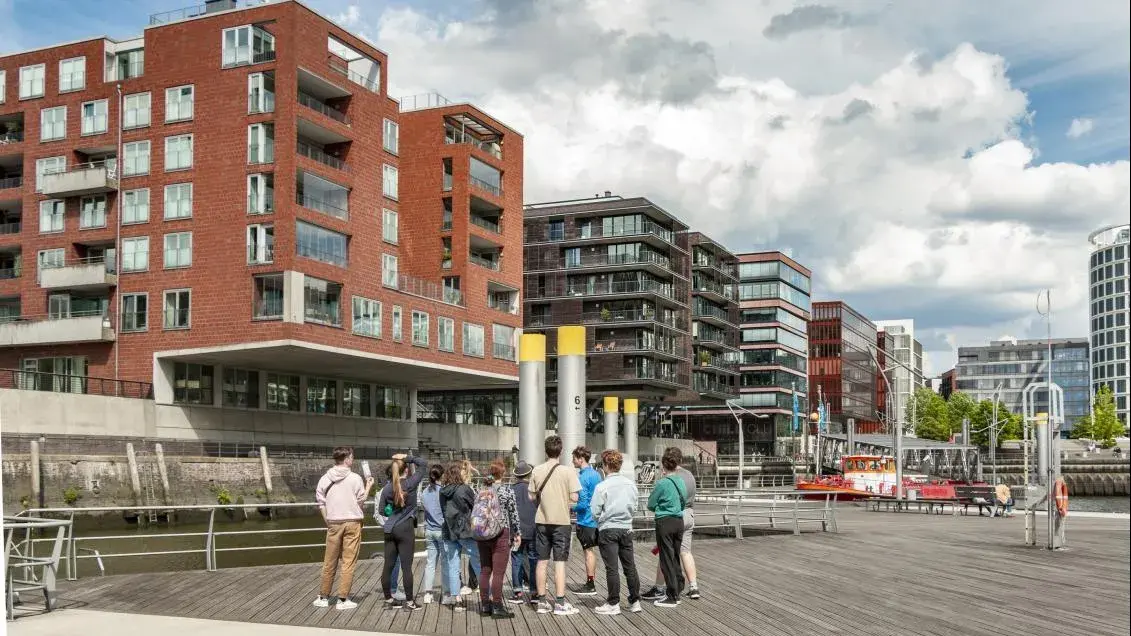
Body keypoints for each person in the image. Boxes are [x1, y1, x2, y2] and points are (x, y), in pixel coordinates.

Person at [313, 446, 373, 610]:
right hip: (353, 522)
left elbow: (321, 503)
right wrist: (369, 485)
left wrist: (328, 522)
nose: (352, 460)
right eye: (352, 457)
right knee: (348, 561)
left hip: (333, 522)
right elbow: (361, 501)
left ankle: (323, 597)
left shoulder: (325, 478)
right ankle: (343, 599)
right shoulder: (355, 478)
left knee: (329, 561)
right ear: (346, 459)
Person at [529, 435, 582, 616]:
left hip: (542, 521)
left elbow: (531, 496)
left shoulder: (537, 470)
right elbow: (575, 498)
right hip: (561, 523)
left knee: (541, 562)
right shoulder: (568, 472)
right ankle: (559, 603)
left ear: (546, 451)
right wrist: (563, 499)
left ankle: (542, 601)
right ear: (561, 451)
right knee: (560, 563)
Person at [642, 446, 700, 601]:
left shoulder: (668, 478)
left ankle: (660, 588)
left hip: (673, 516)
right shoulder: (689, 476)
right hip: (689, 514)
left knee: (666, 554)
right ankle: (693, 586)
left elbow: (654, 502)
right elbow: (692, 495)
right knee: (685, 552)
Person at [590, 449, 642, 615]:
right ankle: (635, 601)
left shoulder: (602, 486)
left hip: (608, 529)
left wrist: (601, 520)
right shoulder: (631, 485)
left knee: (612, 568)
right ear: (619, 465)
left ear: (605, 466)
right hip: (626, 528)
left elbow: (594, 512)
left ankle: (613, 602)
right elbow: (635, 507)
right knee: (630, 567)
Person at [377, 453, 428, 611]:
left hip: (390, 529)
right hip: (405, 528)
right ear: (406, 471)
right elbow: (423, 464)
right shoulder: (411, 483)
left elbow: (382, 511)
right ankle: (410, 602)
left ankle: (388, 600)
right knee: (407, 567)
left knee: (388, 566)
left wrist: (393, 510)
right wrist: (407, 457)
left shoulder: (386, 489)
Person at [474, 459, 521, 618]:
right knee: (499, 573)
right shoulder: (507, 491)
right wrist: (517, 533)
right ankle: (497, 606)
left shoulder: (482, 490)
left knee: (485, 570)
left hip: (483, 534)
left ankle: (485, 605)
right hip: (501, 533)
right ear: (503, 473)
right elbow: (514, 515)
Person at [646, 447, 687, 608]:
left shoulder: (662, 483)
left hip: (664, 521)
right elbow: (684, 501)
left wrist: (661, 508)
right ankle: (678, 585)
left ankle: (672, 595)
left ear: (663, 465)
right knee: (675, 556)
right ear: (677, 465)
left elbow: (650, 504)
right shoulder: (681, 481)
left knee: (666, 558)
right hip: (679, 521)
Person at [440, 461, 481, 612]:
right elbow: (475, 506)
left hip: (449, 531)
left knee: (453, 565)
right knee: (477, 561)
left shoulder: (442, 491)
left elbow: (444, 510)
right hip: (465, 531)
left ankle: (457, 599)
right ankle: (486, 596)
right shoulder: (465, 489)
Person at [571, 446, 603, 596]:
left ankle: (590, 584)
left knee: (588, 552)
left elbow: (583, 503)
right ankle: (591, 581)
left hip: (586, 520)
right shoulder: (596, 475)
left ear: (580, 459)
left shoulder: (582, 477)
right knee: (591, 551)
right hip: (596, 519)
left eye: (574, 458)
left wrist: (570, 508)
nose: (572, 461)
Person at [508, 461, 539, 604]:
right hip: (533, 529)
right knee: (534, 561)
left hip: (516, 531)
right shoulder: (534, 489)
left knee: (516, 560)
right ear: (529, 474)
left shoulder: (511, 489)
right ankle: (534, 593)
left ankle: (517, 593)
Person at [420, 464, 447, 604]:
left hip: (429, 530)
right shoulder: (443, 492)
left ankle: (428, 593)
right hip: (442, 530)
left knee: (430, 563)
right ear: (441, 476)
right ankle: (447, 593)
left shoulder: (424, 492)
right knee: (445, 562)